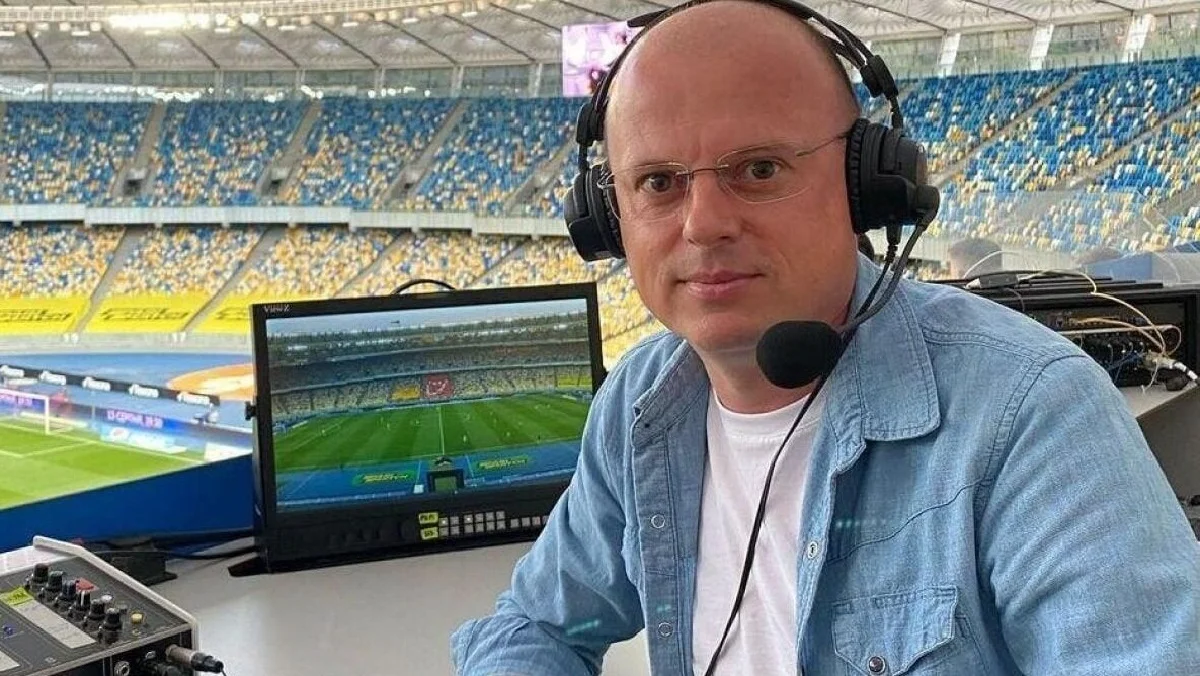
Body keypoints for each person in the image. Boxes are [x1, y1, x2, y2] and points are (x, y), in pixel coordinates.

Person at [452, 1, 1200, 674]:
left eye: (759, 168)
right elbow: (537, 626)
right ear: (607, 216)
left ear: (865, 187)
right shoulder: (640, 404)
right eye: (658, 182)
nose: (703, 223)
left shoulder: (1031, 414)